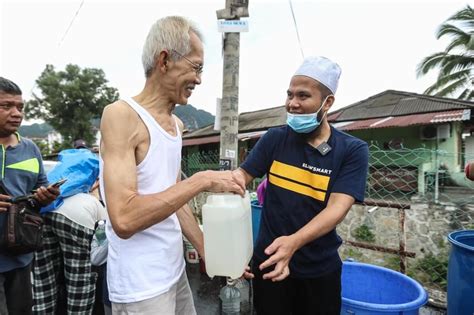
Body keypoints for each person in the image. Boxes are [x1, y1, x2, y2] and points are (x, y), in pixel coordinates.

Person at [99, 16, 244, 315]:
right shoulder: (121, 116)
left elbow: (174, 199)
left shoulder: (177, 125)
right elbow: (124, 219)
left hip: (174, 272)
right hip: (141, 286)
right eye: (196, 67)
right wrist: (202, 180)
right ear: (164, 60)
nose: (200, 79)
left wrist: (207, 250)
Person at [234, 56, 369, 315]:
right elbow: (239, 181)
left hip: (319, 271)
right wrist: (232, 251)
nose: (292, 104)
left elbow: (336, 209)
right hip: (270, 265)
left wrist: (294, 242)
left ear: (327, 102)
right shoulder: (274, 139)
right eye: (289, 95)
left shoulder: (351, 150)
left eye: (303, 96)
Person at [0, 77, 60, 315]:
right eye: (6, 106)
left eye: (20, 107)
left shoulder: (31, 149)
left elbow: (38, 192)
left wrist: (45, 197)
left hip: (21, 256)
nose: (16, 113)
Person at [32, 150, 106, 314]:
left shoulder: (54, 195)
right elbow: (102, 239)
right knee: (78, 279)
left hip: (44, 214)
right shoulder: (90, 201)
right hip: (78, 221)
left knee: (44, 277)